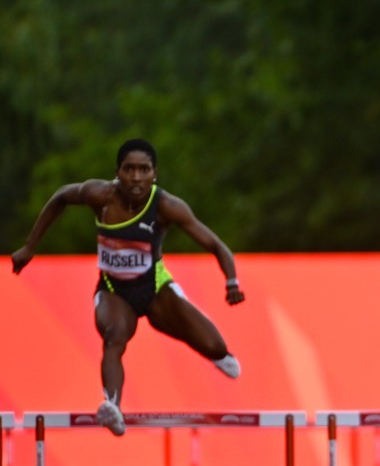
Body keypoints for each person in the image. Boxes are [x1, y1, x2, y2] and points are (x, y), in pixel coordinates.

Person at [12, 139, 244, 436]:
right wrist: (30, 246)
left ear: (154, 173)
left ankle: (218, 355)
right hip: (113, 289)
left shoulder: (167, 207)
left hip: (155, 287)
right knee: (113, 336)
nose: (136, 178)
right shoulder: (100, 195)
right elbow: (60, 197)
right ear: (117, 172)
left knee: (214, 346)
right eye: (129, 169)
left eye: (143, 170)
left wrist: (231, 281)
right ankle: (112, 407)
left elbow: (216, 244)